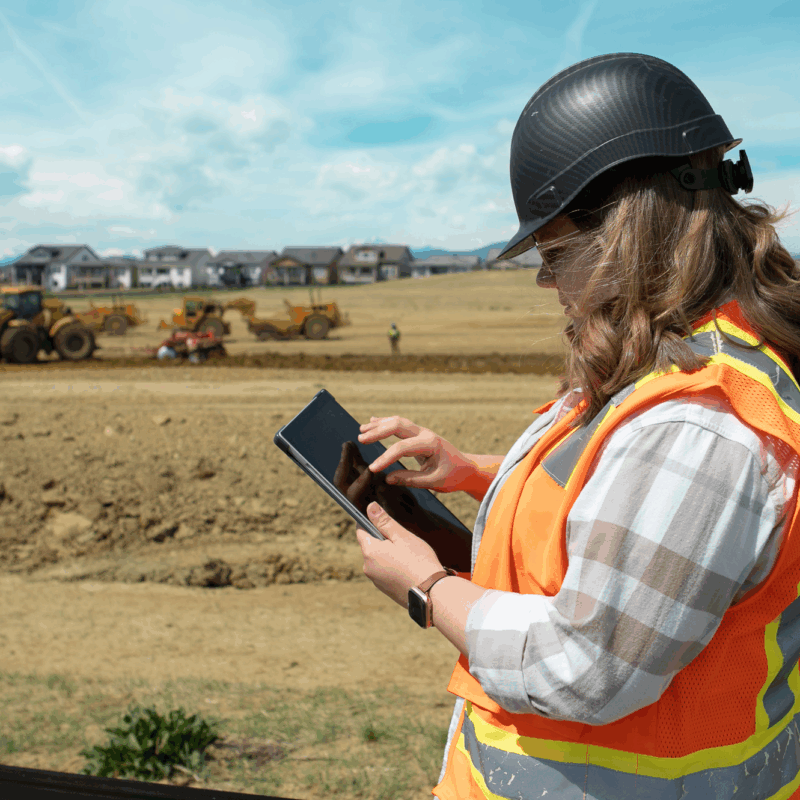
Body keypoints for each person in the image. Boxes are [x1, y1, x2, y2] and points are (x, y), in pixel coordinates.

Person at [349, 52, 800, 799]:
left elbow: (588, 670)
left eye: (555, 253)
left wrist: (427, 587)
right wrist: (471, 471)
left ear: (626, 231)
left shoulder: (701, 422)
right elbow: (631, 496)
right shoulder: (674, 358)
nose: (546, 281)